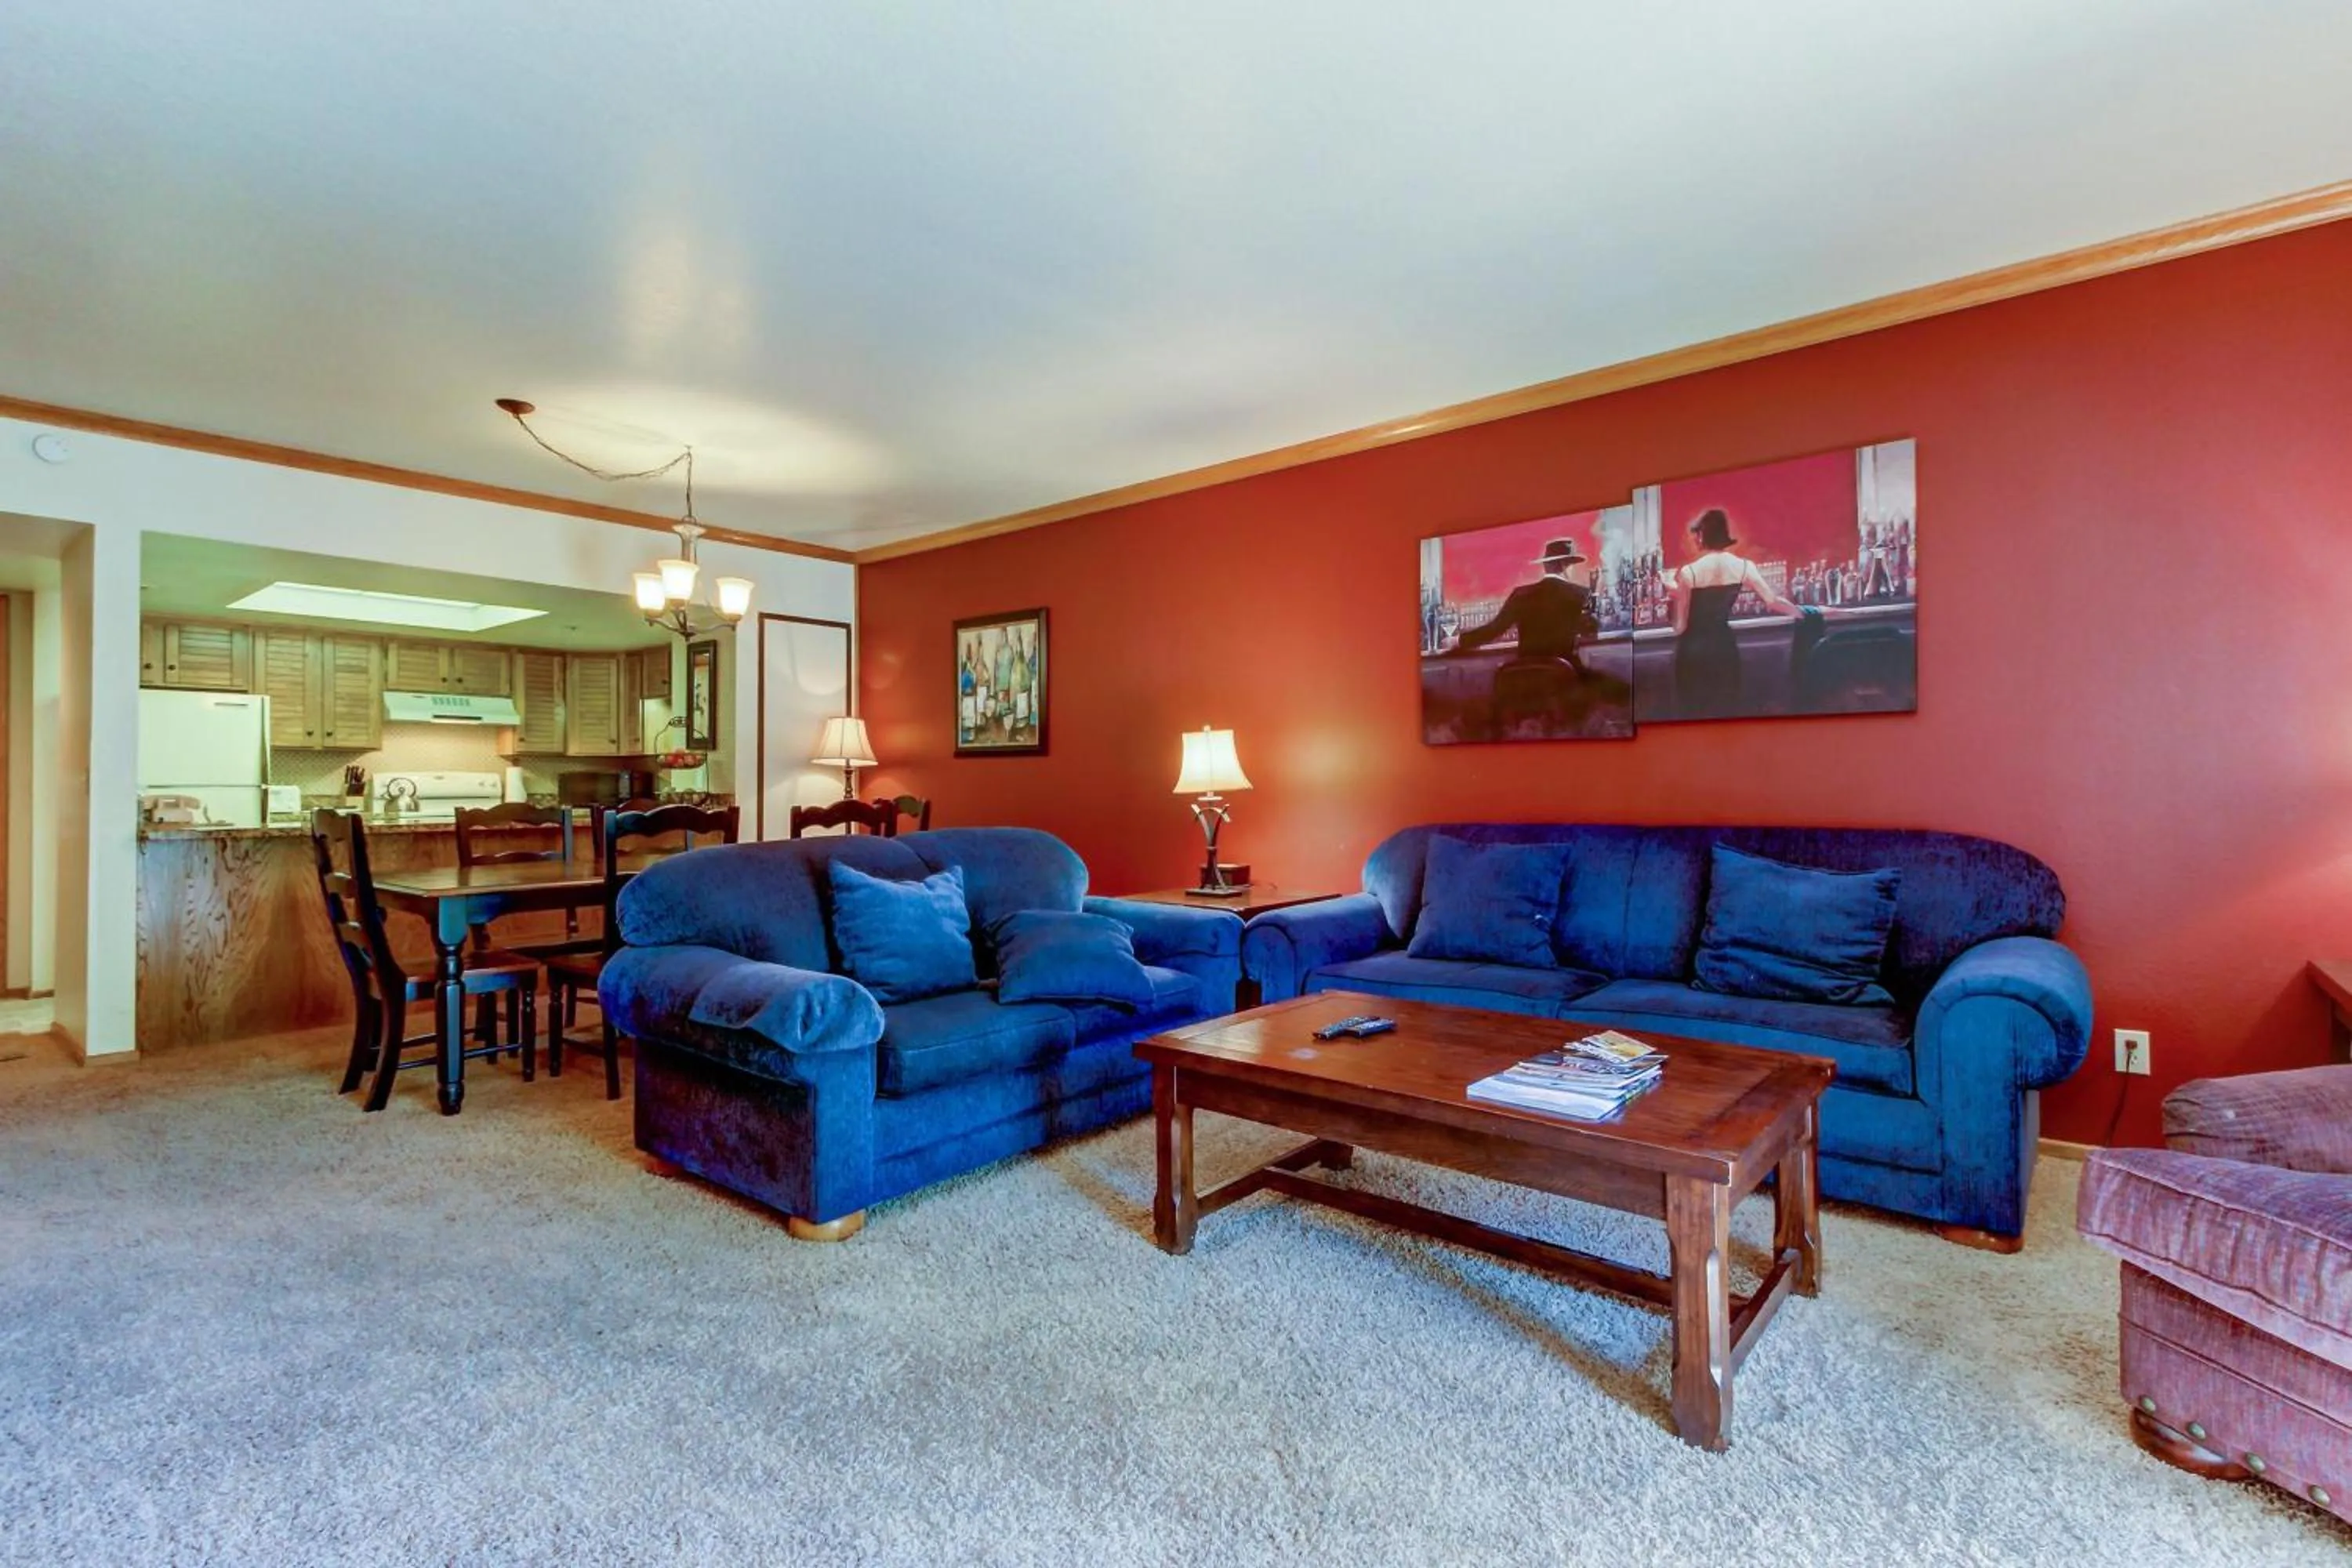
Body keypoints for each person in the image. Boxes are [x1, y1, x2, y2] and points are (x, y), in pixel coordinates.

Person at [1667, 508, 1820, 718]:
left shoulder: (1688, 573)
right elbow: (1773, 601)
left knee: (1694, 714)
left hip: (1693, 652)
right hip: (1723, 647)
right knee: (1726, 712)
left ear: (1703, 535)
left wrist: (1674, 595)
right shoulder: (1744, 567)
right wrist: (1804, 613)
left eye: (1698, 534)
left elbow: (1680, 627)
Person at [1452, 538, 1599, 673]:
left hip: (1528, 676)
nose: (1572, 569)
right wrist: (1594, 593)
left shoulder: (1520, 594)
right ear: (1564, 565)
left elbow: (1493, 630)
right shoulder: (1580, 594)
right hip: (1563, 675)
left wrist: (1458, 640)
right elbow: (1591, 629)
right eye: (1571, 565)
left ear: (1545, 565)